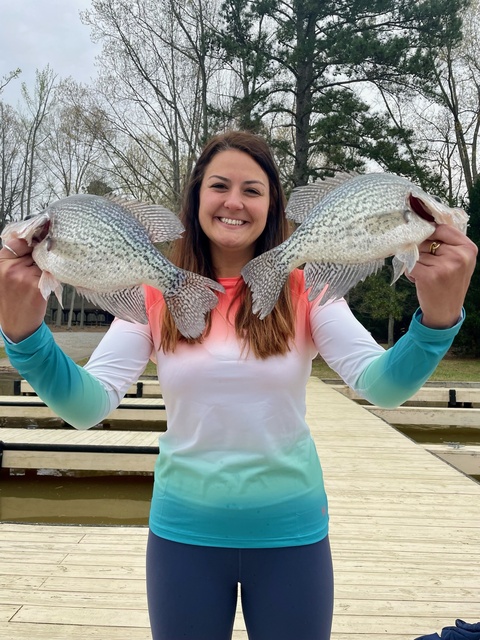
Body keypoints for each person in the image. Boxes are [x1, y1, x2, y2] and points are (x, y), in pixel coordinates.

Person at [0, 131, 477, 640]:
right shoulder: (155, 291)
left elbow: (382, 387)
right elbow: (85, 406)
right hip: (183, 538)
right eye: (219, 186)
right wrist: (23, 333)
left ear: (271, 206)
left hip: (293, 537)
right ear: (196, 198)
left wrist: (437, 319)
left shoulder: (307, 289)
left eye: (252, 189)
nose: (234, 201)